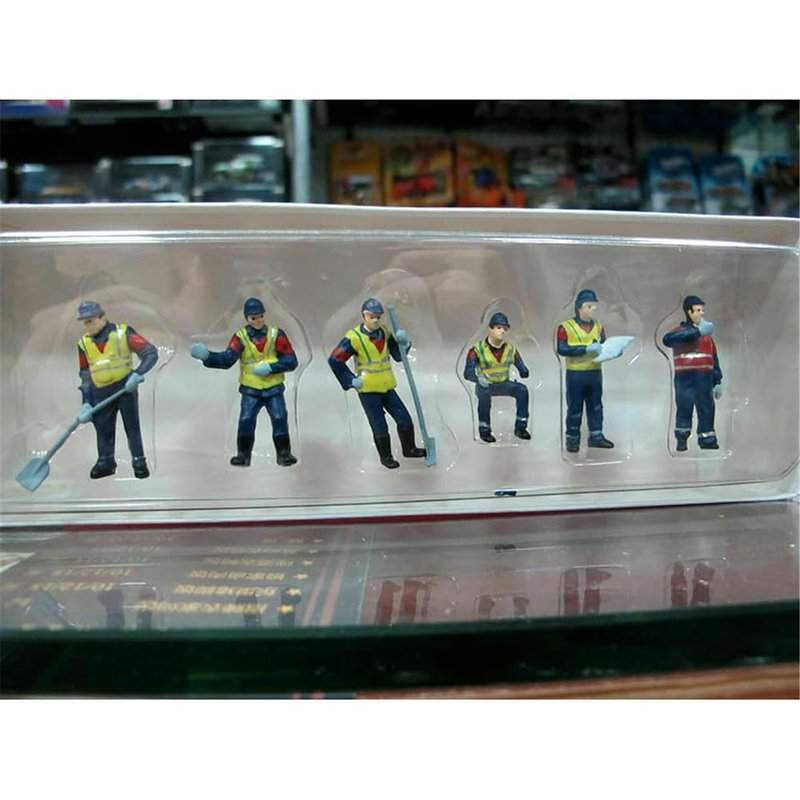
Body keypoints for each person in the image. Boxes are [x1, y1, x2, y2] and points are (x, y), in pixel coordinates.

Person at [190, 297, 298, 467]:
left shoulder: (276, 334)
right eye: (254, 318)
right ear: (247, 318)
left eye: (261, 316)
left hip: (273, 388)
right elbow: (227, 359)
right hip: (251, 389)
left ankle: (284, 454)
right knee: (246, 420)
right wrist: (208, 356)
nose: (258, 320)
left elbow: (291, 361)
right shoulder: (240, 337)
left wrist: (272, 367)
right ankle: (243, 455)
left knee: (279, 418)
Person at [328, 298, 425, 469]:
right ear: (364, 316)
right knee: (379, 425)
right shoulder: (354, 337)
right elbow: (335, 359)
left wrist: (405, 343)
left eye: (378, 317)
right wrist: (350, 380)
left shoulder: (385, 333)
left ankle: (409, 448)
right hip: (368, 389)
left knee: (404, 418)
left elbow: (398, 356)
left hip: (387, 386)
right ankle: (386, 457)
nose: (375, 320)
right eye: (372, 317)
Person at [76, 300, 158, 479]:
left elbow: (150, 353)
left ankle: (139, 461)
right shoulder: (84, 343)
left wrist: (137, 373)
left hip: (124, 389)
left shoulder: (123, 333)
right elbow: (85, 375)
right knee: (103, 429)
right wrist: (86, 403)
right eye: (85, 322)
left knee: (132, 427)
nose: (88, 326)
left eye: (91, 320)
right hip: (100, 393)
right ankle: (105, 461)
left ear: (102, 317)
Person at [556, 289, 615, 452]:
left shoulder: (598, 326)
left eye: (594, 306)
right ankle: (572, 439)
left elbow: (604, 345)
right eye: (589, 306)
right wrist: (585, 348)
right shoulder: (565, 327)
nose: (593, 309)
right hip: (576, 375)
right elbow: (562, 349)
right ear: (579, 307)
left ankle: (596, 436)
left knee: (596, 405)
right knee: (575, 407)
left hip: (595, 373)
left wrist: (612, 350)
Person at [661, 295, 722, 451]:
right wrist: (697, 332)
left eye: (702, 310)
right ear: (689, 312)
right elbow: (667, 340)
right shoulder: (680, 332)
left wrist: (717, 381)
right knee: (684, 407)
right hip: (685, 378)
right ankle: (682, 439)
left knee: (706, 408)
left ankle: (707, 440)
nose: (701, 313)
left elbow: (714, 359)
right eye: (698, 310)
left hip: (704, 377)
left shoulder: (707, 337)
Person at [463, 311, 531, 442]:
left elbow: (521, 366)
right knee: (484, 397)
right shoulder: (477, 350)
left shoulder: (510, 350)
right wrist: (478, 379)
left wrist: (524, 371)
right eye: (499, 328)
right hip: (486, 385)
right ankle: (484, 431)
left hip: (504, 384)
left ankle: (520, 428)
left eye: (505, 329)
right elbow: (467, 373)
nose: (502, 331)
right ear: (490, 329)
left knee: (522, 390)